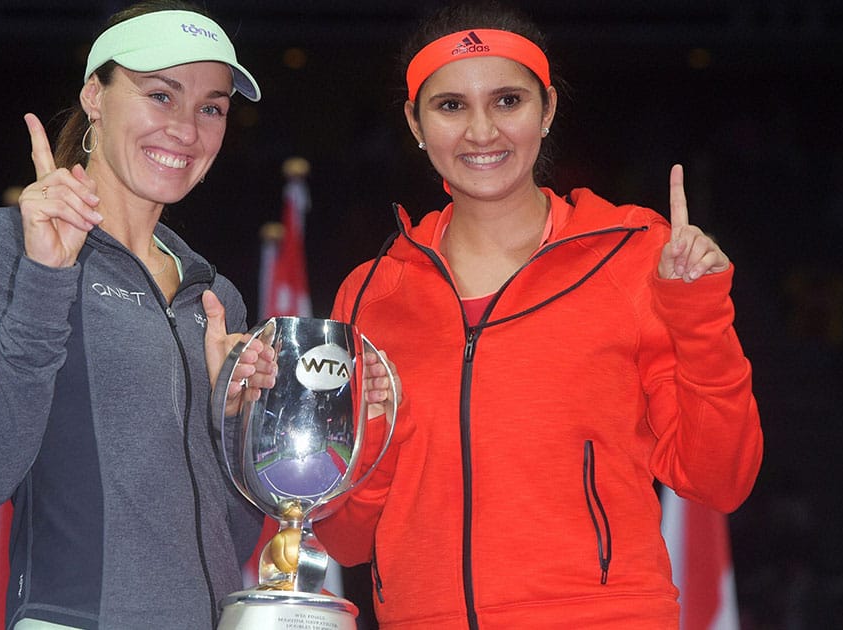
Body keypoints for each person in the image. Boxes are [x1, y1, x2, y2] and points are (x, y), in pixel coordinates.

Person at [314, 2, 764, 628]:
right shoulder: (371, 296)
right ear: (415, 122)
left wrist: (698, 315)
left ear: (547, 110)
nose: (481, 132)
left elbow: (721, 479)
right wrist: (382, 442)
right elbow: (343, 540)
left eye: (507, 101)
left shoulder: (633, 257)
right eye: (451, 106)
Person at [0, 2, 275, 628]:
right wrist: (46, 277)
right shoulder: (1, 247)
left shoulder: (213, 293)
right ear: (96, 95)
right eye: (160, 94)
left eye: (211, 108)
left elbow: (230, 535)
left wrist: (231, 419)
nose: (186, 130)